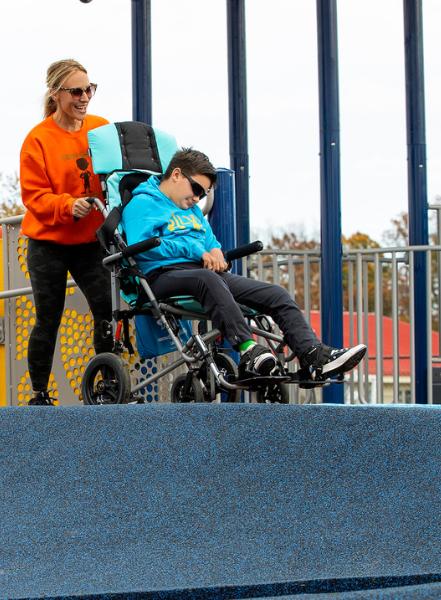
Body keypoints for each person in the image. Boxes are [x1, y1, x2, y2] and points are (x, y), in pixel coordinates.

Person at [119, 147, 367, 381]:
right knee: (208, 279)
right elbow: (142, 249)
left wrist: (215, 250)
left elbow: (208, 239)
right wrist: (196, 250)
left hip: (202, 275)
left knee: (275, 293)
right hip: (162, 276)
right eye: (195, 188)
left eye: (203, 194)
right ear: (176, 174)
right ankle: (249, 351)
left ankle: (314, 355)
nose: (197, 197)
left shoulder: (192, 210)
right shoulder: (143, 204)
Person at [19, 59, 112, 406]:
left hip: (91, 242)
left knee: (107, 308)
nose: (85, 96)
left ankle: (108, 386)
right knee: (49, 315)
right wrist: (67, 205)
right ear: (56, 94)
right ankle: (39, 394)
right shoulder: (38, 139)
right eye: (76, 90)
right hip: (49, 243)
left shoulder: (102, 129)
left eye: (89, 89)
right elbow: (34, 197)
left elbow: (118, 176)